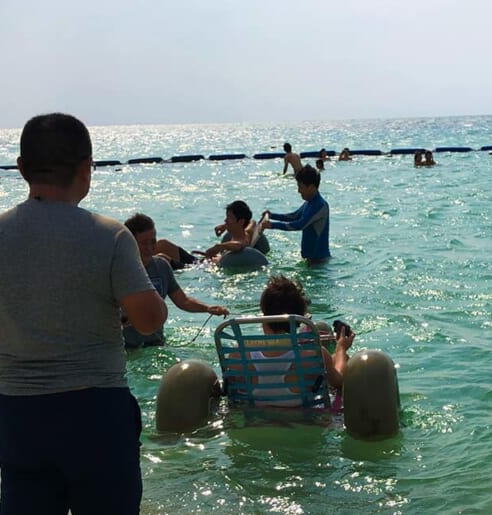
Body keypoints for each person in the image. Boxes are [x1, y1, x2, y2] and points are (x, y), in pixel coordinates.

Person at [0, 113, 166, 515]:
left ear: (21, 166)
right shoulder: (110, 236)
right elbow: (150, 321)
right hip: (97, 412)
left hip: (22, 413)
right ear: (86, 168)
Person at [226, 275, 353, 406]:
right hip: (303, 419)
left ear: (264, 315)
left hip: (254, 419)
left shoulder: (237, 354)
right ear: (299, 319)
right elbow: (339, 382)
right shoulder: (315, 354)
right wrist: (341, 349)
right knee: (339, 359)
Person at [122, 213, 229, 347]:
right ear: (130, 242)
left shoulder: (162, 266)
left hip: (155, 344)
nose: (150, 248)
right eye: (144, 243)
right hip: (124, 347)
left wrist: (208, 308)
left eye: (153, 241)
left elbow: (183, 301)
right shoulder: (117, 270)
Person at [155, 200, 269, 268]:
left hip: (196, 268)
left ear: (240, 222)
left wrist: (219, 247)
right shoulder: (246, 230)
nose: (225, 220)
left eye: (229, 218)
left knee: (161, 257)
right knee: (162, 244)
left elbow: (239, 245)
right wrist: (226, 226)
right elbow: (252, 221)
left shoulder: (243, 239)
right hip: (200, 262)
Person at [260, 164, 331, 263]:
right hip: (310, 260)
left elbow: (299, 225)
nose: (298, 191)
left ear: (311, 187)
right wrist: (272, 215)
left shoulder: (319, 205)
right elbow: (293, 216)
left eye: (300, 187)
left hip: (319, 262)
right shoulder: (309, 203)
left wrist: (272, 225)